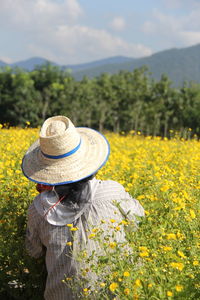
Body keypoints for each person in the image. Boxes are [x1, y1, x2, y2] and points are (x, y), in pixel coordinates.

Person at [22, 116, 144, 300]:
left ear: (47, 172)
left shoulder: (39, 208)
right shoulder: (113, 192)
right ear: (88, 162)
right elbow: (139, 222)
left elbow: (33, 252)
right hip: (118, 293)